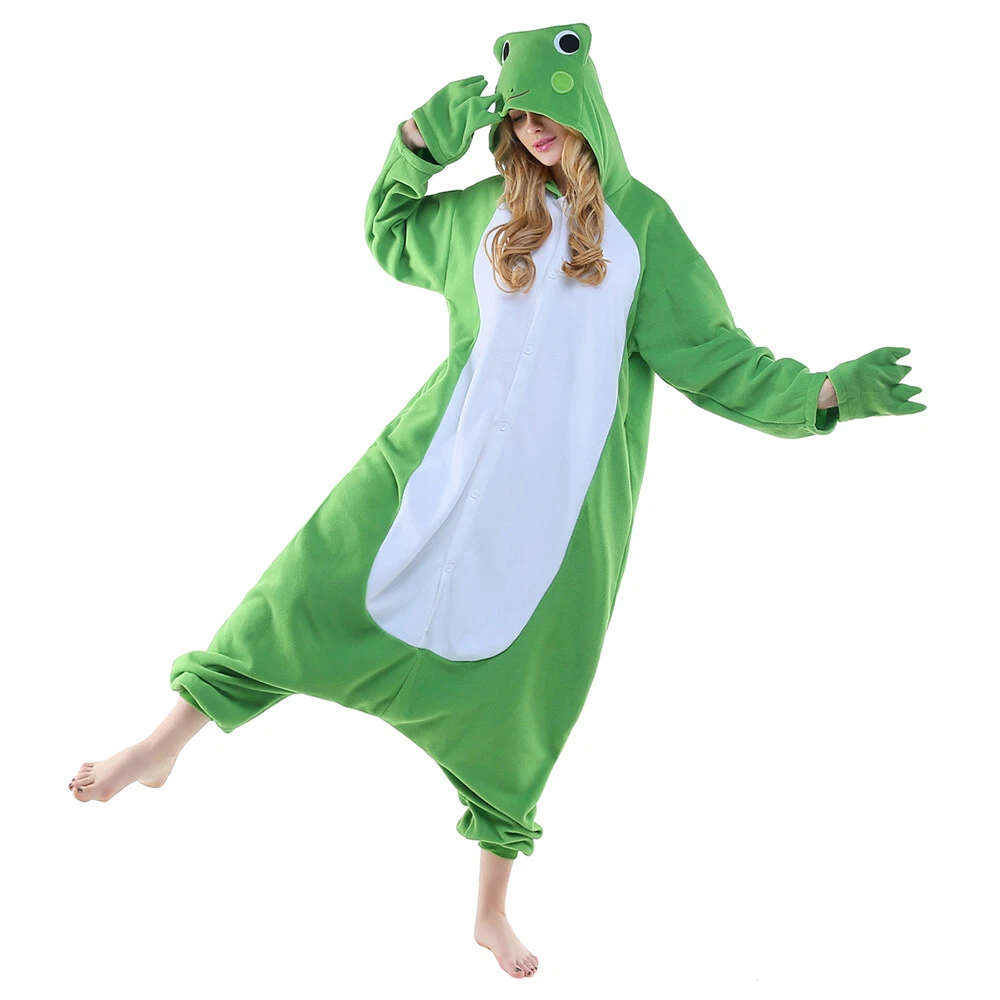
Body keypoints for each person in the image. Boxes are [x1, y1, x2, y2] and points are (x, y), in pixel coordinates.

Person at [67, 22, 925, 981]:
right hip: (429, 474)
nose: (532, 127)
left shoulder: (644, 230)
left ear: (585, 104)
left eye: (546, 109)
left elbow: (716, 358)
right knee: (299, 595)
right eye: (516, 115)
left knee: (524, 709)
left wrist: (824, 395)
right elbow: (391, 232)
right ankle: (159, 746)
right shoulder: (485, 213)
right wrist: (414, 143)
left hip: (553, 517)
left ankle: (489, 910)